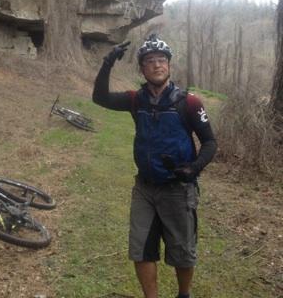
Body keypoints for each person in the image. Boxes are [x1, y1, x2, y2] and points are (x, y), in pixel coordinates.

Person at [92, 34, 217, 298]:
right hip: (145, 189)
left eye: (162, 60)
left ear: (169, 66)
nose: (157, 65)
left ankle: (184, 294)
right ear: (142, 68)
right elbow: (100, 98)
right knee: (141, 248)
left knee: (182, 251)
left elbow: (210, 142)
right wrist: (107, 64)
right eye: (150, 61)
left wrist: (194, 169)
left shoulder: (190, 102)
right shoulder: (136, 100)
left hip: (178, 189)